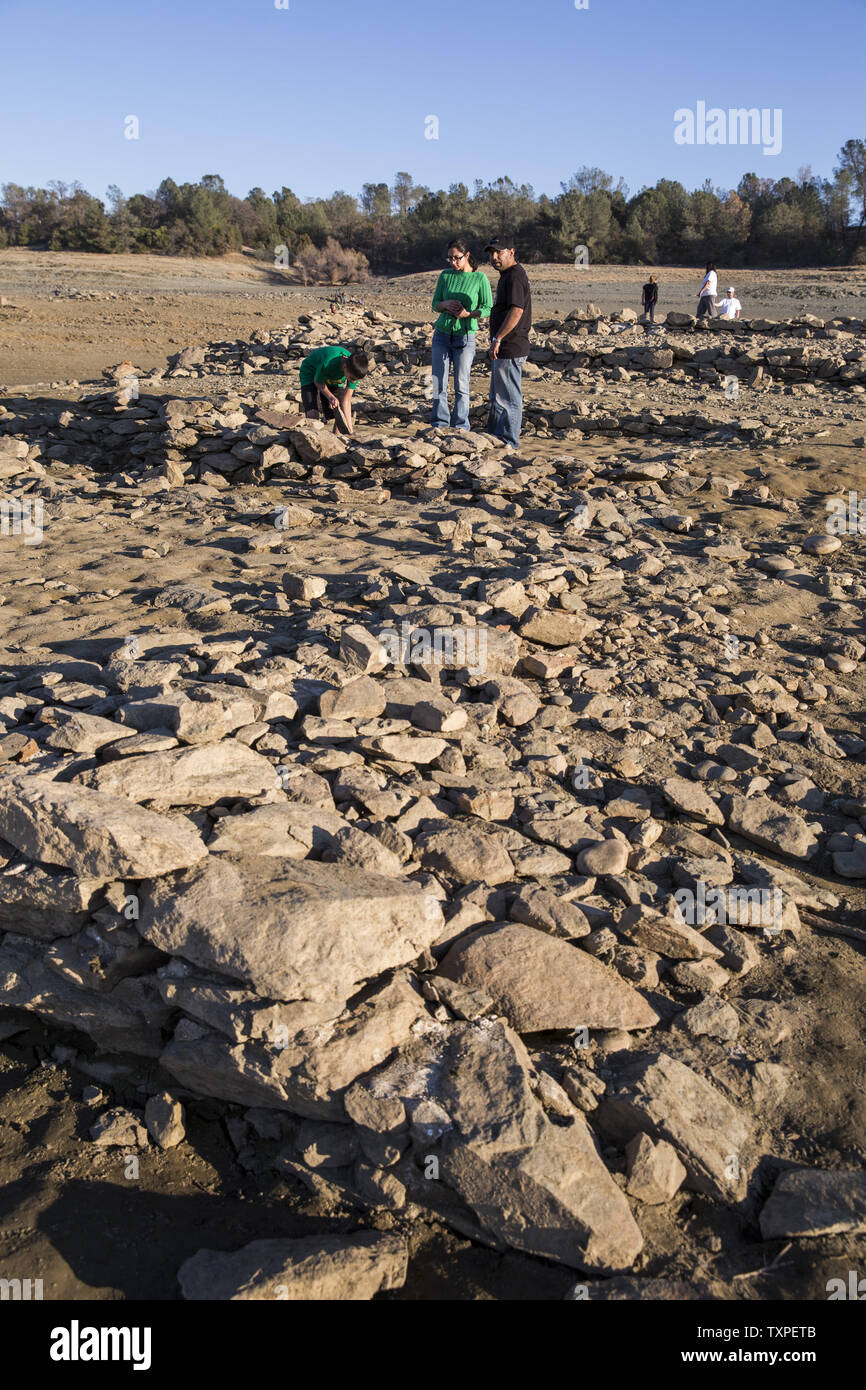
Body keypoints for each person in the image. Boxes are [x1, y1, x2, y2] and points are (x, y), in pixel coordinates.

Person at [430, 239, 493, 431]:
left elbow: (488, 307)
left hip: (465, 336)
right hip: (442, 334)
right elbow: (435, 304)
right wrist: (445, 305)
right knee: (438, 382)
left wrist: (468, 314)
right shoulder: (445, 276)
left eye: (456, 258)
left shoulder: (480, 278)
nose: (453, 262)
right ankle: (439, 424)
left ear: (466, 256)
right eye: (449, 258)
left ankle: (460, 426)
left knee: (461, 384)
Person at [483, 237, 532, 450]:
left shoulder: (514, 276)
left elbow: (516, 310)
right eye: (491, 253)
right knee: (497, 396)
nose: (494, 257)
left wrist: (498, 338)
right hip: (505, 347)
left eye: (498, 252)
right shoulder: (507, 276)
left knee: (508, 398)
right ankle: (494, 437)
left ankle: (509, 442)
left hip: (511, 346)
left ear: (511, 252)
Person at [298, 344, 369, 434]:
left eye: (356, 380)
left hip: (332, 378)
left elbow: (346, 399)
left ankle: (337, 437)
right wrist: (330, 397)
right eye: (351, 379)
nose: (353, 382)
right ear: (344, 367)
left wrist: (349, 428)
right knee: (313, 413)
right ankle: (311, 437)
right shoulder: (328, 362)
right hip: (310, 372)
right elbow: (318, 382)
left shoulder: (355, 371)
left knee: (339, 412)